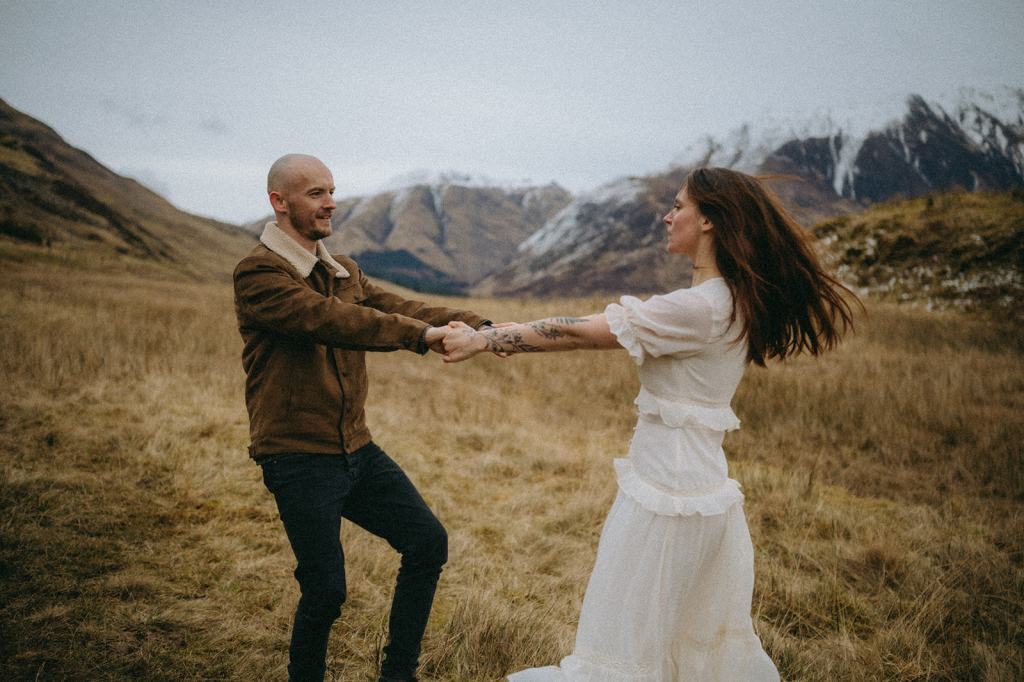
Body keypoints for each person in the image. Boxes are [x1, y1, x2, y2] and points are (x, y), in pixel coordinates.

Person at [443, 167, 858, 681]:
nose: (668, 216)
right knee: (678, 646)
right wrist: (506, 331)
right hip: (699, 489)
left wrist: (486, 341)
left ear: (709, 221)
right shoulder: (728, 299)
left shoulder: (699, 307)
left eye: (679, 206)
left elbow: (584, 335)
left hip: (668, 496)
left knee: (622, 649)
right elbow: (581, 329)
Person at [233, 154, 493, 682]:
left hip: (357, 449)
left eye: (331, 190)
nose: (330, 201)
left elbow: (400, 304)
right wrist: (420, 339)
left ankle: (398, 674)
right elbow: (329, 319)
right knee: (326, 592)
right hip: (298, 455)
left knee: (427, 542)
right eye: (314, 193)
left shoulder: (343, 269)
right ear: (278, 202)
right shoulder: (259, 272)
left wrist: (481, 325)